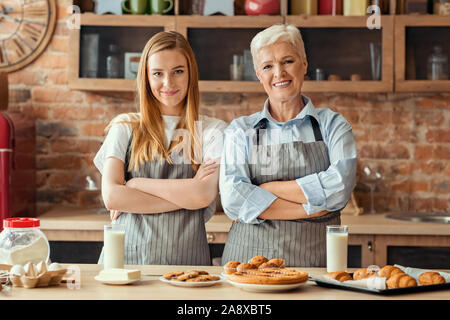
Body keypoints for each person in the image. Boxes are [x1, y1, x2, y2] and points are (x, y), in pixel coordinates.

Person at [220, 24, 357, 267]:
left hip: (315, 266)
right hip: (248, 267)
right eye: (268, 66)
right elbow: (233, 200)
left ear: (304, 64)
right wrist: (313, 209)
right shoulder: (240, 131)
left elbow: (339, 189)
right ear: (258, 74)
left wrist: (265, 188)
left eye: (287, 61)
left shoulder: (333, 125)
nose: (279, 73)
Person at [94, 31, 227, 265]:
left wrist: (135, 185)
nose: (168, 83)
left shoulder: (212, 130)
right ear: (146, 77)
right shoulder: (124, 127)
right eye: (158, 73)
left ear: (190, 74)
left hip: (188, 266)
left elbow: (204, 195)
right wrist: (189, 196)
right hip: (126, 263)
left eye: (178, 71)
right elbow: (112, 197)